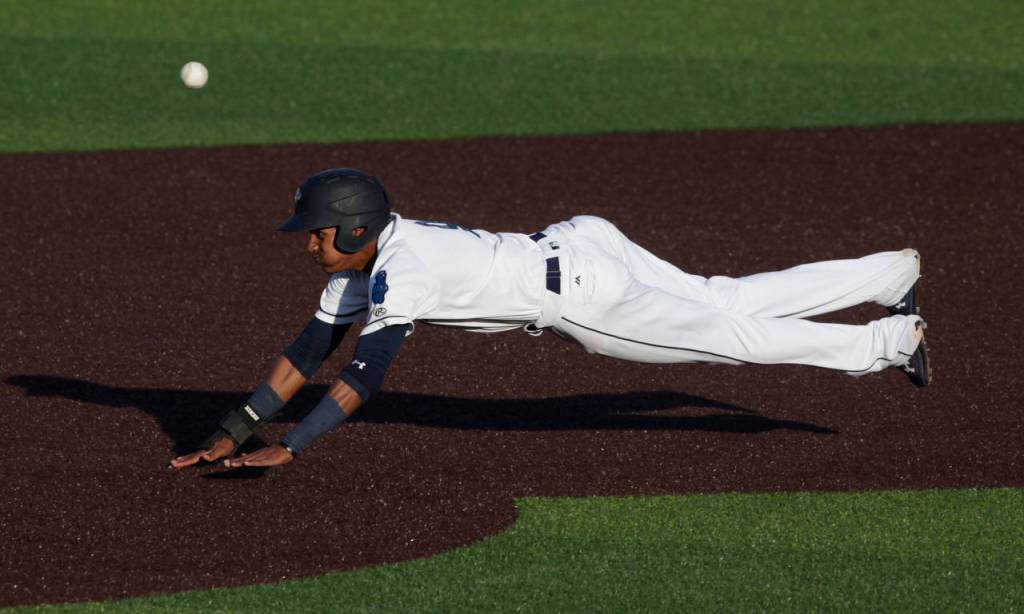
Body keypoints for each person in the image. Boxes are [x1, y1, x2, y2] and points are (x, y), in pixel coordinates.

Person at [170, 168, 929, 470]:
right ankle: (890, 275)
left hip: (587, 300)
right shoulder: (372, 264)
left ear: (357, 231)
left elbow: (363, 374)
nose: (307, 241)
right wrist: (237, 425)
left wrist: (293, 446)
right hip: (580, 238)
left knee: (728, 336)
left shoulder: (402, 272)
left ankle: (886, 343)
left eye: (317, 231)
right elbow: (309, 350)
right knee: (722, 298)